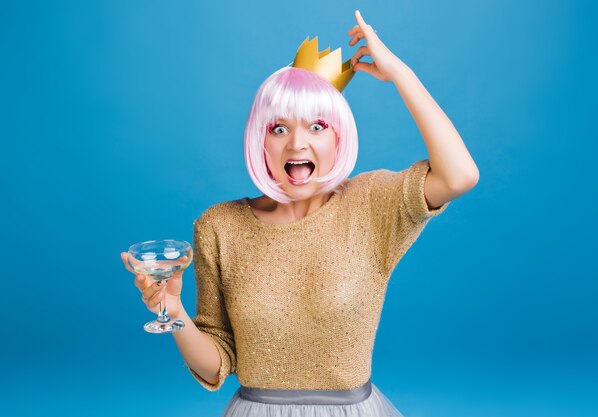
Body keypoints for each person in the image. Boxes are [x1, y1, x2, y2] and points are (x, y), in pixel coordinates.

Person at [122, 10, 479, 417]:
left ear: (338, 137)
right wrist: (174, 310)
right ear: (260, 141)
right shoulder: (219, 226)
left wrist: (400, 74)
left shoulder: (372, 203)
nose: (297, 143)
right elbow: (217, 363)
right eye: (278, 128)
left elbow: (460, 176)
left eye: (317, 126)